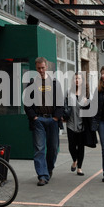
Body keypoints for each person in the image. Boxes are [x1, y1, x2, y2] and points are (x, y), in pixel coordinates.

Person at [24, 57, 64, 186]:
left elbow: (61, 102)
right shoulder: (31, 84)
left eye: (43, 67)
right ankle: (42, 175)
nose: (41, 70)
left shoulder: (54, 83)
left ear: (46, 67)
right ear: (36, 68)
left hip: (52, 119)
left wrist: (56, 117)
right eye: (38, 68)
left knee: (52, 148)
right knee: (39, 148)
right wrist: (34, 117)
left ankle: (49, 168)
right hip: (39, 120)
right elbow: (27, 103)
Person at [64, 72, 93, 176]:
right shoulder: (68, 92)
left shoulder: (87, 93)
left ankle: (79, 167)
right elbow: (64, 105)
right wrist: (64, 115)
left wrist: (87, 103)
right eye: (75, 78)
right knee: (71, 145)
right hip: (71, 122)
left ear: (82, 80)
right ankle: (74, 160)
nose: (77, 80)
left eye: (79, 78)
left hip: (82, 124)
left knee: (81, 146)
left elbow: (91, 109)